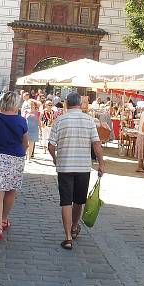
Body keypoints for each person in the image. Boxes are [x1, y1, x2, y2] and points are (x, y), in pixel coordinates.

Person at [48, 92, 105, 250]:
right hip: (83, 167)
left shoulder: (60, 120)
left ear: (66, 103)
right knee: (78, 200)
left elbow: (51, 145)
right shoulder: (89, 121)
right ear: (80, 104)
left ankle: (67, 238)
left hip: (65, 166)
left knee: (65, 201)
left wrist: (55, 158)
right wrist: (101, 163)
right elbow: (96, 144)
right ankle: (74, 227)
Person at [0, 91, 30, 241]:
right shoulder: (22, 121)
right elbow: (26, 143)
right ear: (16, 104)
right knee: (11, 190)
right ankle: (4, 218)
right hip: (16, 158)